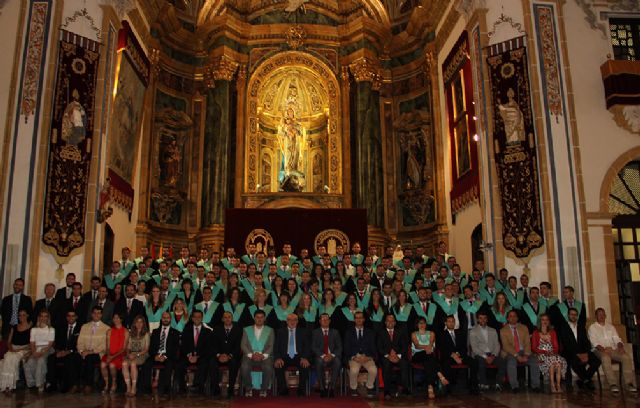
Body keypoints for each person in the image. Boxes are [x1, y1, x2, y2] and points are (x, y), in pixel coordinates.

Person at [588, 307, 636, 393]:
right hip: (598, 350)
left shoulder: (610, 326)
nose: (601, 316)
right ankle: (613, 384)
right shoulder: (592, 327)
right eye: (599, 314)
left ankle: (629, 383)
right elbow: (594, 342)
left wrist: (620, 347)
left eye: (603, 314)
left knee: (626, 357)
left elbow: (617, 339)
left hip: (612, 349)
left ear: (605, 315)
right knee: (605, 358)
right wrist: (603, 349)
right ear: (596, 316)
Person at [559, 307, 600, 391]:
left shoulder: (581, 327)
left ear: (577, 316)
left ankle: (584, 379)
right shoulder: (563, 327)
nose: (573, 316)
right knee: (574, 361)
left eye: (575, 315)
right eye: (571, 314)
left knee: (597, 361)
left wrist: (586, 353)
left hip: (583, 352)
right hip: (570, 352)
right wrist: (577, 354)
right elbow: (565, 343)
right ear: (568, 316)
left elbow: (586, 342)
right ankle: (586, 380)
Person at [499, 310, 540, 392]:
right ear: (507, 318)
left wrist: (526, 354)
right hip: (510, 352)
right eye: (510, 316)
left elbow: (527, 342)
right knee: (511, 362)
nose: (513, 318)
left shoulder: (524, 327)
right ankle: (514, 386)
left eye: (514, 316)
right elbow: (506, 346)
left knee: (534, 361)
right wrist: (517, 356)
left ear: (517, 318)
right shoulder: (503, 330)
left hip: (524, 351)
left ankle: (535, 386)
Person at [175, 309, 213, 394]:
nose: (197, 318)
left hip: (201, 356)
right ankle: (182, 388)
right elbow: (183, 345)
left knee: (204, 363)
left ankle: (198, 386)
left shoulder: (207, 331)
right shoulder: (186, 329)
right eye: (195, 317)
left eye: (199, 317)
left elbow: (208, 348)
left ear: (202, 318)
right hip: (188, 355)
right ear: (192, 318)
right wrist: (189, 355)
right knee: (179, 364)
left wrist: (197, 356)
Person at [438, 315, 478, 394]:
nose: (451, 323)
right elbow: (442, 348)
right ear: (445, 323)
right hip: (448, 357)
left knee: (474, 362)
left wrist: (459, 355)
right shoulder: (442, 334)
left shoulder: (460, 333)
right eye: (449, 321)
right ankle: (448, 388)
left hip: (460, 356)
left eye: (453, 321)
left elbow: (464, 347)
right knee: (445, 364)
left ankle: (473, 386)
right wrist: (453, 355)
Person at [240, 309, 275, 397]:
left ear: (264, 318)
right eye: (257, 317)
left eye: (261, 317)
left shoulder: (270, 330)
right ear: (254, 318)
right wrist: (251, 355)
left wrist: (263, 355)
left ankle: (263, 389)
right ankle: (248, 389)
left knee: (268, 367)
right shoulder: (246, 329)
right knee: (244, 367)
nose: (259, 319)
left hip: (265, 357)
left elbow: (271, 345)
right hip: (249, 356)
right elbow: (243, 344)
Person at [274, 313, 310, 396]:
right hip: (284, 357)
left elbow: (307, 346)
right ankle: (283, 389)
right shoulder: (280, 332)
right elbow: (276, 347)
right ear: (287, 321)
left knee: (305, 365)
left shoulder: (303, 332)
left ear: (297, 321)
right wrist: (278, 358)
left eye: (295, 320)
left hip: (299, 357)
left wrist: (304, 357)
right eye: (290, 319)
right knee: (278, 365)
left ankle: (301, 389)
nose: (292, 322)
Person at [469, 311, 504, 392]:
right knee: (481, 362)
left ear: (487, 319)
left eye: (485, 318)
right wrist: (485, 357)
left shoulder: (493, 330)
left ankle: (498, 384)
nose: (483, 320)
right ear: (477, 320)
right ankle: (483, 384)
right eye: (480, 318)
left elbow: (497, 345)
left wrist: (493, 356)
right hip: (480, 354)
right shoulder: (473, 331)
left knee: (502, 362)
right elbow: (474, 348)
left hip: (492, 354)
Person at [343, 311, 377, 397]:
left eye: (360, 318)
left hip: (367, 357)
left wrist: (369, 357)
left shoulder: (370, 332)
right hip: (355, 357)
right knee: (354, 370)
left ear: (364, 319)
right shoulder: (348, 332)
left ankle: (369, 387)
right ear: (354, 320)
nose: (359, 320)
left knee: (373, 370)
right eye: (357, 318)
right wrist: (353, 357)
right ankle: (353, 388)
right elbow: (346, 348)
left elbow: (373, 347)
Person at [77, 306, 109, 393]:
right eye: (94, 313)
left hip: (98, 354)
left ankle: (88, 385)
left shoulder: (106, 328)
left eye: (98, 313)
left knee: (89, 358)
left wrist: (90, 352)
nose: (96, 315)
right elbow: (80, 342)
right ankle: (74, 384)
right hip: (84, 352)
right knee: (73, 357)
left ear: (101, 315)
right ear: (91, 314)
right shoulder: (84, 326)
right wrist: (81, 351)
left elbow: (104, 345)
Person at [47, 309, 81, 392]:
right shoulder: (61, 327)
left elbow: (81, 344)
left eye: (73, 316)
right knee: (51, 358)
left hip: (74, 352)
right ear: (66, 317)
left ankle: (67, 385)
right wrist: (59, 351)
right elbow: (57, 341)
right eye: (69, 316)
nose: (71, 318)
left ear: (76, 317)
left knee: (69, 359)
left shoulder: (81, 328)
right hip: (62, 351)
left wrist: (69, 351)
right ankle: (52, 384)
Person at [532, 314, 567, 393]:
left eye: (546, 320)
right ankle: (552, 385)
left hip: (552, 354)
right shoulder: (535, 333)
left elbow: (556, 347)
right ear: (540, 321)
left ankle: (558, 385)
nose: (545, 321)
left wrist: (552, 352)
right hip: (541, 355)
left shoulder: (552, 332)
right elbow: (534, 348)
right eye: (543, 320)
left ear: (549, 321)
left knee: (557, 363)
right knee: (552, 363)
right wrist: (545, 352)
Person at [147, 312, 179, 395]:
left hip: (168, 356)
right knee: (147, 363)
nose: (165, 319)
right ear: (161, 319)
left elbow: (175, 349)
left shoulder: (175, 332)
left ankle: (165, 388)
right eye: (164, 317)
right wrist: (155, 356)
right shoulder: (155, 331)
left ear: (170, 319)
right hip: (156, 355)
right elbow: (151, 348)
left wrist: (165, 356)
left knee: (169, 364)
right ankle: (146, 388)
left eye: (167, 317)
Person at [377, 314, 409, 398]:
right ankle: (387, 391)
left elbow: (404, 346)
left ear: (395, 323)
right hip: (386, 356)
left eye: (392, 321)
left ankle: (404, 388)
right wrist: (388, 355)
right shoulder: (380, 333)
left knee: (405, 364)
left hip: (398, 356)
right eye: (388, 320)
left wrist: (398, 355)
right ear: (385, 322)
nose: (390, 322)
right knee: (386, 365)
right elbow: (379, 348)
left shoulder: (400, 332)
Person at [211, 311, 242, 397]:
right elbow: (213, 345)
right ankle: (216, 388)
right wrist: (218, 355)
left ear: (232, 318)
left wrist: (229, 356)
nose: (227, 319)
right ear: (222, 319)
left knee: (234, 363)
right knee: (212, 363)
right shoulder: (217, 329)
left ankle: (231, 388)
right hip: (219, 356)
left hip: (232, 356)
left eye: (229, 317)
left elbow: (238, 346)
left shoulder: (238, 330)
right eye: (225, 317)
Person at [311, 313, 342, 398]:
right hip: (321, 357)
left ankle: (331, 388)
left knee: (338, 361)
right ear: (320, 321)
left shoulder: (335, 332)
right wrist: (323, 355)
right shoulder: (315, 332)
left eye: (327, 319)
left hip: (332, 357)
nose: (325, 321)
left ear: (329, 321)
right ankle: (322, 388)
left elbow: (339, 347)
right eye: (323, 319)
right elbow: (313, 347)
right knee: (318, 361)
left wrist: (331, 355)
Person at [0, 309, 31, 392]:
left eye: (23, 315)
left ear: (27, 316)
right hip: (13, 348)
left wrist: (19, 349)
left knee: (13, 359)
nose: (21, 317)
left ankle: (10, 385)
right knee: (7, 358)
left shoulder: (31, 328)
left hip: (24, 349)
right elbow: (9, 342)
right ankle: (5, 384)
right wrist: (11, 349)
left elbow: (31, 345)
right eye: (20, 315)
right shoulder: (14, 327)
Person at [24, 310, 55, 392]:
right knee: (29, 361)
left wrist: (41, 352)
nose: (43, 318)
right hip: (35, 349)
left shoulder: (51, 329)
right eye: (41, 316)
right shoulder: (34, 329)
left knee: (41, 360)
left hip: (47, 349)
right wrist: (34, 352)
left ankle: (40, 383)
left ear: (48, 318)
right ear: (39, 317)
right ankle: (33, 383)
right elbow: (32, 343)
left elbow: (50, 344)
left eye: (45, 316)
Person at [100, 313, 128, 394]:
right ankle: (106, 384)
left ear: (121, 319)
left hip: (120, 354)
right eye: (114, 318)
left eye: (117, 318)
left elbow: (124, 349)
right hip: (110, 354)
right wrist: (109, 355)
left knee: (112, 365)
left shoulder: (126, 331)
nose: (116, 319)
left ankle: (114, 383)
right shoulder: (109, 331)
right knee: (102, 365)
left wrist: (112, 357)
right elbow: (107, 347)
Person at [122, 315, 149, 397]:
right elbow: (128, 347)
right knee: (124, 363)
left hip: (142, 354)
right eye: (137, 322)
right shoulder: (131, 333)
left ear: (143, 323)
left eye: (141, 322)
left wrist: (136, 354)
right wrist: (128, 354)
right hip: (131, 354)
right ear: (134, 323)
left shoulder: (146, 334)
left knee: (133, 364)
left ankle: (134, 387)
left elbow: (146, 349)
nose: (139, 324)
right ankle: (128, 387)